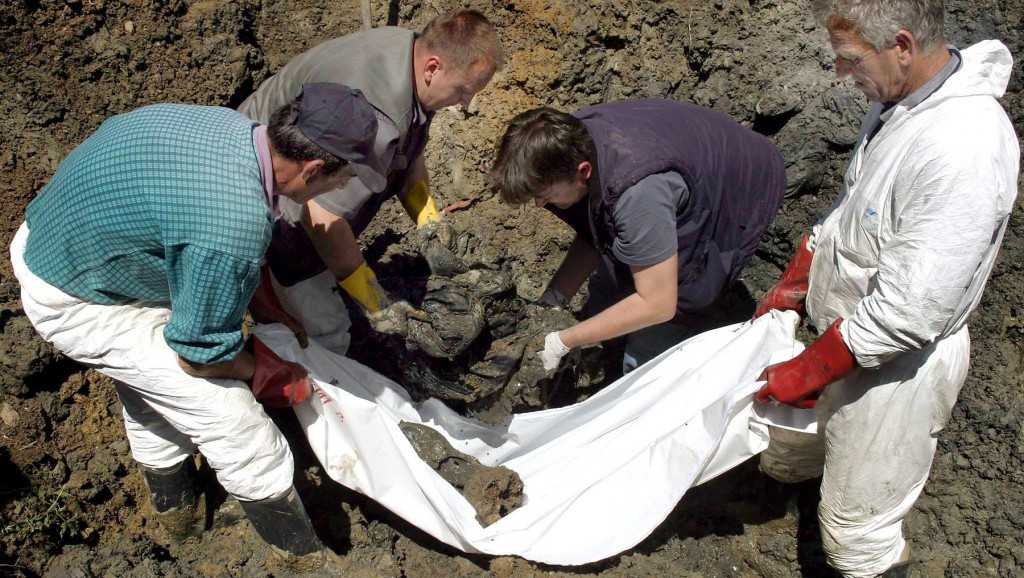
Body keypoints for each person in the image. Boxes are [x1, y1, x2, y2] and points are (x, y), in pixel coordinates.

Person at [10, 83, 380, 571]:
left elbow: (208, 227)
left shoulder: (235, 130)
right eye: (341, 178)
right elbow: (197, 353)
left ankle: (179, 517)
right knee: (233, 419)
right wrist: (264, 372)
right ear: (312, 168)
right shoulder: (233, 219)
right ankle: (301, 559)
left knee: (157, 390)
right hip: (77, 298)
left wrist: (265, 305)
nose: (339, 189)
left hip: (64, 239)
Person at [751, 1, 1020, 575]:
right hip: (841, 331)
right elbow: (859, 205)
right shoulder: (899, 103)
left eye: (851, 60)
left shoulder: (961, 146)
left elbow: (910, 310)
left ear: (902, 45)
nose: (842, 74)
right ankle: (794, 510)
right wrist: (800, 275)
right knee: (791, 448)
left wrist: (808, 370)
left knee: (857, 524)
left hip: (896, 364)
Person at [237, 9, 504, 355]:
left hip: (286, 168)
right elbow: (321, 218)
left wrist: (428, 221)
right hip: (268, 196)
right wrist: (377, 304)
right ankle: (283, 380)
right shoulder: (378, 116)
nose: (468, 103)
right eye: (466, 90)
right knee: (326, 335)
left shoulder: (413, 53)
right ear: (434, 68)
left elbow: (410, 149)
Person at [489, 100, 787, 373]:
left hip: (734, 190)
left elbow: (659, 303)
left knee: (654, 340)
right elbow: (594, 229)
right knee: (611, 289)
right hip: (675, 163)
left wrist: (563, 341)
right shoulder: (564, 141)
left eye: (544, 196)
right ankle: (609, 349)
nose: (540, 205)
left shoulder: (636, 193)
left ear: (583, 172)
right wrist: (554, 299)